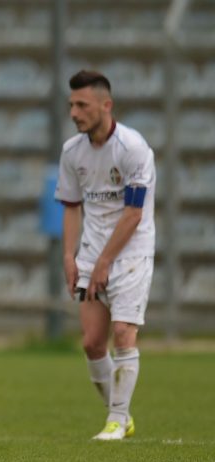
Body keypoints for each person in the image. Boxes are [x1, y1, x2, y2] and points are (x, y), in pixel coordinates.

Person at [56, 70, 156, 441]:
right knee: (92, 342)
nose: (74, 113)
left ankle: (115, 420)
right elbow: (71, 206)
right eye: (72, 105)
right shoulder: (72, 152)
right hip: (92, 251)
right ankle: (121, 416)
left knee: (124, 333)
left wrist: (104, 263)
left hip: (131, 252)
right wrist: (69, 257)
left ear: (106, 105)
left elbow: (133, 213)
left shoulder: (133, 148)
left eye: (82, 105)